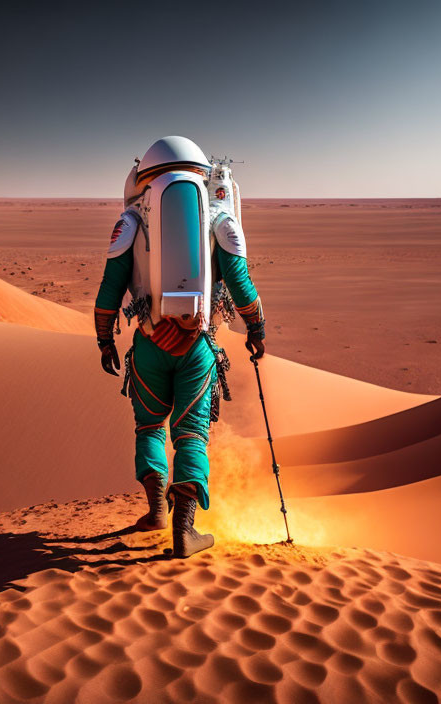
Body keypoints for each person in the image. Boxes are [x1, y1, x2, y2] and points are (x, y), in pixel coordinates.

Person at [94, 136, 266, 558]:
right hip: (196, 348)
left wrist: (103, 339)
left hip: (149, 345)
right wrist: (257, 327)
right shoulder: (219, 217)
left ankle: (155, 511)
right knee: (191, 433)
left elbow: (109, 290)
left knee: (149, 426)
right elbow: (240, 285)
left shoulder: (130, 220)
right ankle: (184, 529)